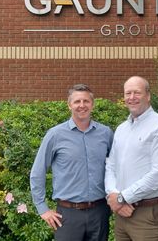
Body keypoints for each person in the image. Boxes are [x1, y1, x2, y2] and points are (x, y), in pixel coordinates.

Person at [30, 84, 114, 241]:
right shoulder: (55, 135)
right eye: (77, 102)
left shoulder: (106, 134)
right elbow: (38, 172)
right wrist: (43, 209)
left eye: (86, 101)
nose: (82, 105)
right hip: (68, 215)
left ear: (92, 104)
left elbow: (116, 168)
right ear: (69, 105)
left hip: (100, 212)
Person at [105, 76, 158, 241]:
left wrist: (122, 198)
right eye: (127, 93)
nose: (131, 97)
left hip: (148, 214)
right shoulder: (121, 129)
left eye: (137, 92)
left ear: (148, 95)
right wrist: (113, 195)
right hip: (122, 213)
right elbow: (111, 166)